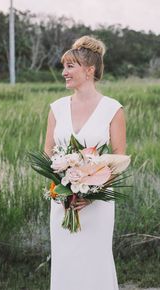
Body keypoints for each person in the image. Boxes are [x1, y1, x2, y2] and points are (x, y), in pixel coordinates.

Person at [44, 35, 126, 290]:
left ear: (89, 70)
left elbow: (119, 157)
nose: (64, 72)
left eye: (70, 66)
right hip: (62, 202)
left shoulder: (112, 108)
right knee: (65, 259)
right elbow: (48, 152)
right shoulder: (56, 108)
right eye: (64, 66)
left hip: (97, 204)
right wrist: (63, 188)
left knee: (94, 260)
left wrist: (92, 192)